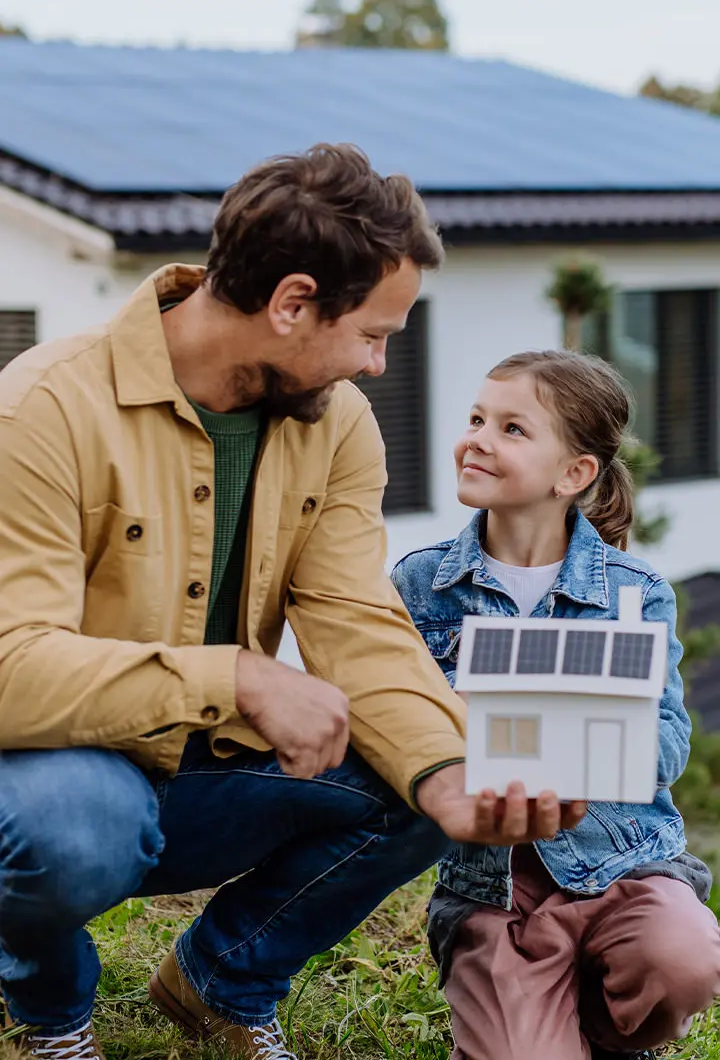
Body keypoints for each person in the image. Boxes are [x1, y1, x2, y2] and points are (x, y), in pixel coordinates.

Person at [0, 146, 583, 1060]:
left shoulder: (337, 424)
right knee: (73, 826)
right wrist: (237, 675)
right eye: (373, 333)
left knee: (422, 764)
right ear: (292, 303)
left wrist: (447, 774)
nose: (381, 365)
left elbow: (358, 625)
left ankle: (220, 980)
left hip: (209, 773)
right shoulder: (39, 408)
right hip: (60, 777)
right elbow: (9, 670)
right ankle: (49, 1013)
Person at [392, 349, 720, 1060]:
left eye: (512, 428)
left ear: (574, 475)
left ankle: (606, 1035)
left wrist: (576, 744)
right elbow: (398, 724)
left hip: (625, 868)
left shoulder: (634, 591)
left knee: (684, 960)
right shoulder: (420, 585)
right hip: (498, 891)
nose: (477, 437)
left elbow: (668, 741)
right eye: (477, 418)